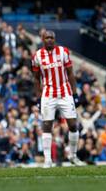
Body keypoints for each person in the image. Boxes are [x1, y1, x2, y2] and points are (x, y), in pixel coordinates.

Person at [32, 30, 83, 168]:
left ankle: (73, 156)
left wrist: (75, 94)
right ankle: (48, 160)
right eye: (47, 38)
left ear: (55, 39)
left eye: (52, 38)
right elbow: (36, 79)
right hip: (48, 94)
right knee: (47, 125)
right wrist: (38, 98)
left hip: (65, 93)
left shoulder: (63, 51)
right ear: (43, 39)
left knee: (73, 125)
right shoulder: (37, 56)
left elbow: (71, 74)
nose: (50, 40)